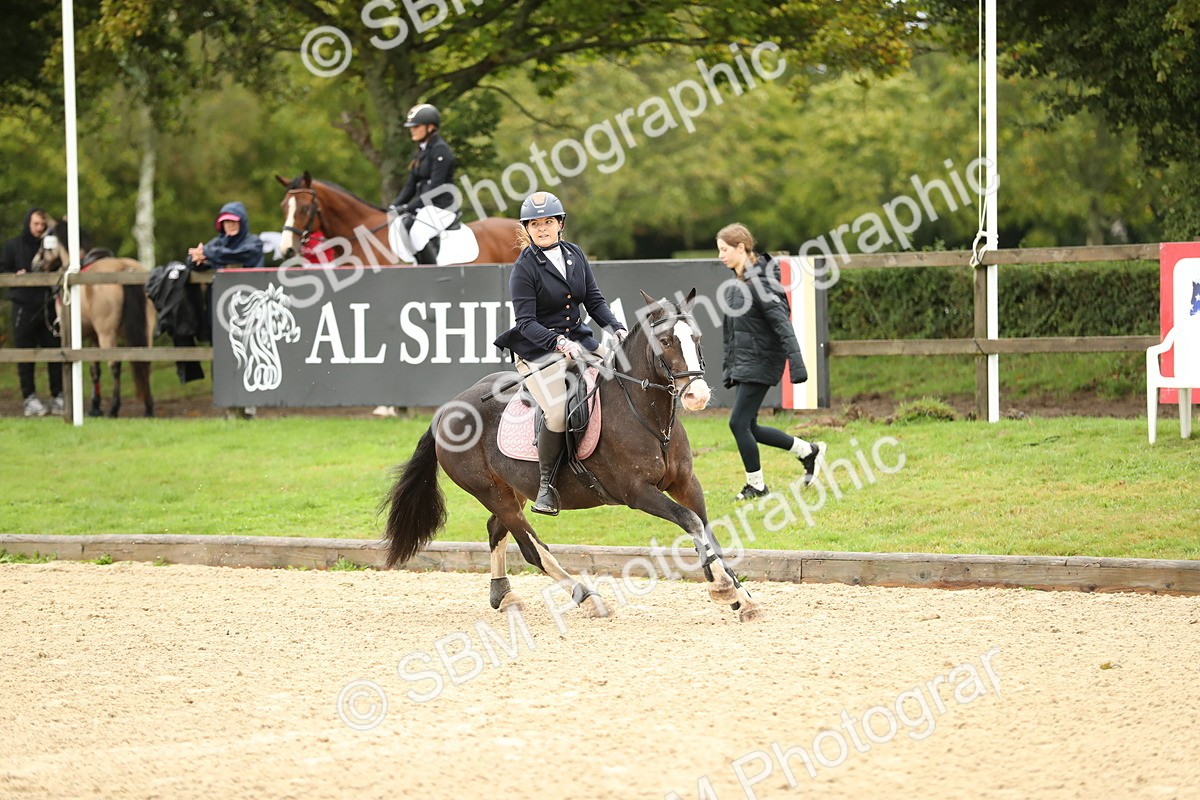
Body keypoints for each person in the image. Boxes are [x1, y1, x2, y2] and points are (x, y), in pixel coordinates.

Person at [493, 191, 628, 515]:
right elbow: (525, 323)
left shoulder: (575, 254)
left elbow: (594, 301)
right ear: (528, 228)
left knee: (625, 377)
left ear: (560, 224)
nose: (542, 229)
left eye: (548, 222)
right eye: (535, 224)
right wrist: (558, 343)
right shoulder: (524, 268)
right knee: (556, 411)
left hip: (581, 342)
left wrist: (617, 328)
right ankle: (546, 487)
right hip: (537, 352)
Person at [717, 222, 825, 500]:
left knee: (737, 423)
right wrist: (731, 368)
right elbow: (733, 334)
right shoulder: (738, 284)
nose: (721, 255)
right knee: (750, 426)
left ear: (742, 247)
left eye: (725, 249)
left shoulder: (763, 283)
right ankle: (808, 451)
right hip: (747, 363)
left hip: (762, 363)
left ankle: (757, 486)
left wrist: (797, 365)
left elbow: (782, 325)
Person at [185, 202, 264, 415]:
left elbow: (241, 255)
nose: (230, 225)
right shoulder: (216, 244)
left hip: (248, 307)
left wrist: (208, 254)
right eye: (226, 221)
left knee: (249, 351)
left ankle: (249, 403)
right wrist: (200, 258)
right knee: (221, 353)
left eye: (234, 221)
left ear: (242, 222)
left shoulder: (253, 242)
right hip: (219, 308)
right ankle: (226, 400)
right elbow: (193, 262)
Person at [1, 208, 63, 416]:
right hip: (24, 306)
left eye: (42, 225)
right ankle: (29, 398)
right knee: (25, 353)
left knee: (55, 351)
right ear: (28, 223)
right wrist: (15, 275)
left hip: (47, 306)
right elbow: (3, 270)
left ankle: (58, 396)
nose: (39, 228)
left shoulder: (50, 245)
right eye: (35, 224)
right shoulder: (13, 246)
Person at [387, 103, 456, 265]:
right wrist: (394, 206)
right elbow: (410, 185)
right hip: (426, 205)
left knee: (418, 232)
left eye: (416, 126)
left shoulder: (441, 151)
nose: (412, 129)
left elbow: (435, 189)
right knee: (401, 226)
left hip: (441, 206)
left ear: (430, 127)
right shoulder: (421, 151)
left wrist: (408, 207)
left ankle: (431, 272)